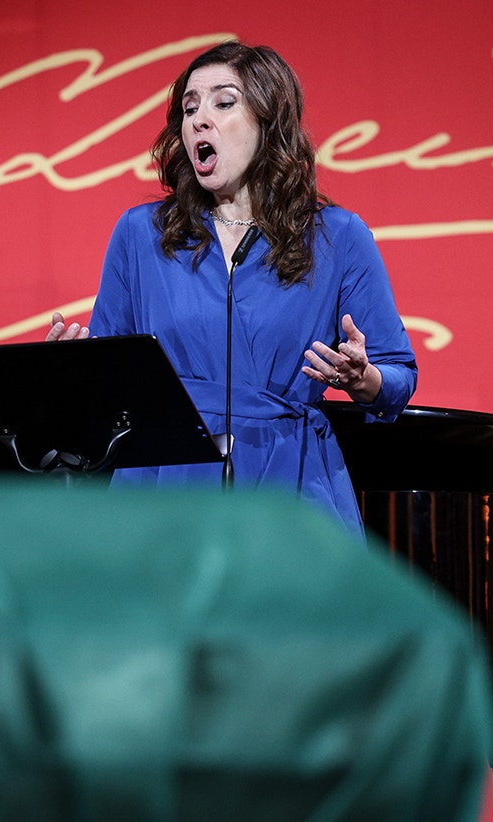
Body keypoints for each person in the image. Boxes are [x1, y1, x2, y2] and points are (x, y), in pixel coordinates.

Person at [48, 41, 417, 535]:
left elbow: (398, 377)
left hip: (290, 482)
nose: (200, 119)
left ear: (269, 122)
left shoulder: (338, 236)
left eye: (224, 102)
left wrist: (362, 377)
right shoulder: (142, 234)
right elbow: (114, 374)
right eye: (190, 107)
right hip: (166, 481)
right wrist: (73, 372)